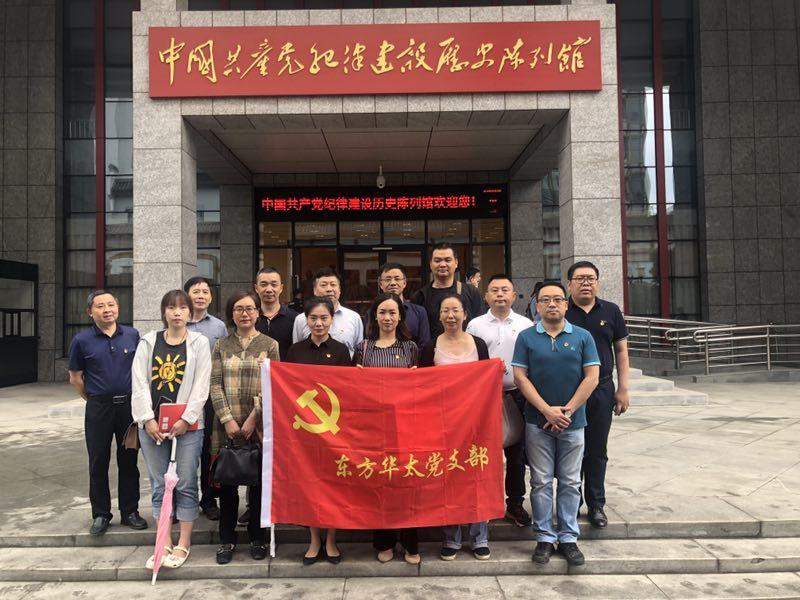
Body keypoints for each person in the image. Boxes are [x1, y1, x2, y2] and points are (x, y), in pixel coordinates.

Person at [512, 280, 600, 567]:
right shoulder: (526, 337)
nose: (551, 304)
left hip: (574, 423)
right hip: (537, 423)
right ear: (537, 306)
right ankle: (544, 538)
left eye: (557, 299)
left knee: (571, 481)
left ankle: (568, 537)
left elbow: (592, 377)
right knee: (540, 481)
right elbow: (520, 377)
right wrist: (546, 411)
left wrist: (568, 410)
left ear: (566, 304)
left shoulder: (583, 336)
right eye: (545, 300)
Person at [131, 289, 211, 569]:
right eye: (171, 307)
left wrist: (186, 419)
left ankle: (183, 542)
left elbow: (202, 384)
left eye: (182, 307)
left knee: (186, 482)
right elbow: (139, 382)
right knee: (159, 484)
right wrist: (147, 419)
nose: (177, 313)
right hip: (152, 426)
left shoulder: (199, 342)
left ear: (190, 312)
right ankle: (163, 540)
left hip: (187, 427)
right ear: (163, 312)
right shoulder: (148, 341)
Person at [419, 294, 492, 561]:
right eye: (445, 310)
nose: (451, 316)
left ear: (465, 314)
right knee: (447, 478)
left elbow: (486, 380)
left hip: (476, 423)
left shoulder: (479, 344)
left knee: (477, 477)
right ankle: (451, 538)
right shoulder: (430, 347)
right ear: (439, 315)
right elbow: (422, 387)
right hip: (442, 424)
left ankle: (479, 537)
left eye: (456, 310)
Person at [68, 290, 147, 536]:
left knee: (129, 461)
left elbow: (141, 371)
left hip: (128, 409)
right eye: (100, 306)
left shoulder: (132, 335)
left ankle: (130, 511)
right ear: (90, 312)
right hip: (98, 408)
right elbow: (75, 378)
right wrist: (93, 398)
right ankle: (101, 514)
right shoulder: (81, 340)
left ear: (118, 308)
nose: (107, 310)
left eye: (111, 304)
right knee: (98, 461)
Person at [210, 291, 280, 565]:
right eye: (239, 309)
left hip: (258, 426)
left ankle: (256, 538)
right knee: (227, 486)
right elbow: (215, 384)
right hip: (225, 426)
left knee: (258, 484)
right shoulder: (221, 345)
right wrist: (227, 419)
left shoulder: (270, 345)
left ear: (258, 313)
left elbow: (273, 383)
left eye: (250, 308)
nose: (245, 314)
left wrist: (253, 417)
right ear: (232, 314)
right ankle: (227, 539)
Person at [354, 293, 421, 566]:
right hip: (373, 429)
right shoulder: (364, 348)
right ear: (374, 316)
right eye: (382, 312)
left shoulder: (411, 348)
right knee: (379, 483)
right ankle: (384, 541)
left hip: (406, 427)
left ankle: (410, 542)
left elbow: (422, 389)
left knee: (407, 483)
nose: (387, 317)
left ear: (400, 316)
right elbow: (353, 390)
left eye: (393, 312)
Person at [286, 296, 351, 565]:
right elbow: (287, 386)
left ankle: (332, 539)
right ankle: (314, 540)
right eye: (313, 318)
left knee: (333, 484)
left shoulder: (341, 350)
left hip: (334, 429)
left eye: (324, 318)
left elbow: (348, 389)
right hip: (305, 431)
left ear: (332, 320)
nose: (319, 323)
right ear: (306, 321)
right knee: (310, 484)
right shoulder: (295, 351)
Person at [465, 274, 534, 528]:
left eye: (505, 290)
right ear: (486, 296)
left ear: (514, 296)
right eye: (494, 290)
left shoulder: (526, 324)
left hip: (518, 394)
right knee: (484, 453)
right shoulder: (475, 325)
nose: (500, 294)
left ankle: (514, 503)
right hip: (484, 397)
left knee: (516, 453)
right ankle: (484, 503)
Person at [565, 261, 630, 529]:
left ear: (598, 283)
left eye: (590, 278)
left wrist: (622, 388)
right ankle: (571, 502)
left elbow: (621, 351)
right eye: (580, 278)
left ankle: (596, 504)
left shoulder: (611, 311)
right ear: (569, 284)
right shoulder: (562, 310)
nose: (585, 283)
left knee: (596, 449)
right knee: (570, 449)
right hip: (569, 391)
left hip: (602, 389)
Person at [184, 276, 228, 521]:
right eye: (196, 291)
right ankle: (184, 500)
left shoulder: (219, 327)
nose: (200, 296)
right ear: (186, 295)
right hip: (184, 396)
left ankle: (208, 499)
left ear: (211, 297)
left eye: (205, 292)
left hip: (210, 396)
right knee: (185, 451)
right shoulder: (178, 322)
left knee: (209, 449)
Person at [412, 243, 483, 337]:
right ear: (430, 264)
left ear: (456, 263)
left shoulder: (471, 292)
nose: (442, 264)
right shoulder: (420, 296)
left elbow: (481, 326)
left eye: (447, 260)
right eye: (437, 260)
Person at [292, 267, 363, 358]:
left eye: (333, 285)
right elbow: (297, 352)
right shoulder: (301, 319)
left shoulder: (354, 318)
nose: (329, 289)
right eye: (324, 285)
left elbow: (359, 353)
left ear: (340, 290)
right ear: (314, 290)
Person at [376, 262, 430, 348]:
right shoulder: (373, 312)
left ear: (404, 283)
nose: (393, 283)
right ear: (380, 284)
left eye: (397, 279)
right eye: (388, 279)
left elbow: (424, 346)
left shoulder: (419, 312)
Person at [255, 266, 299, 361]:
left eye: (274, 285)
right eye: (263, 285)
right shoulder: (250, 319)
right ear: (256, 288)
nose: (269, 289)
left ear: (281, 288)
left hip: (284, 370)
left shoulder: (295, 319)